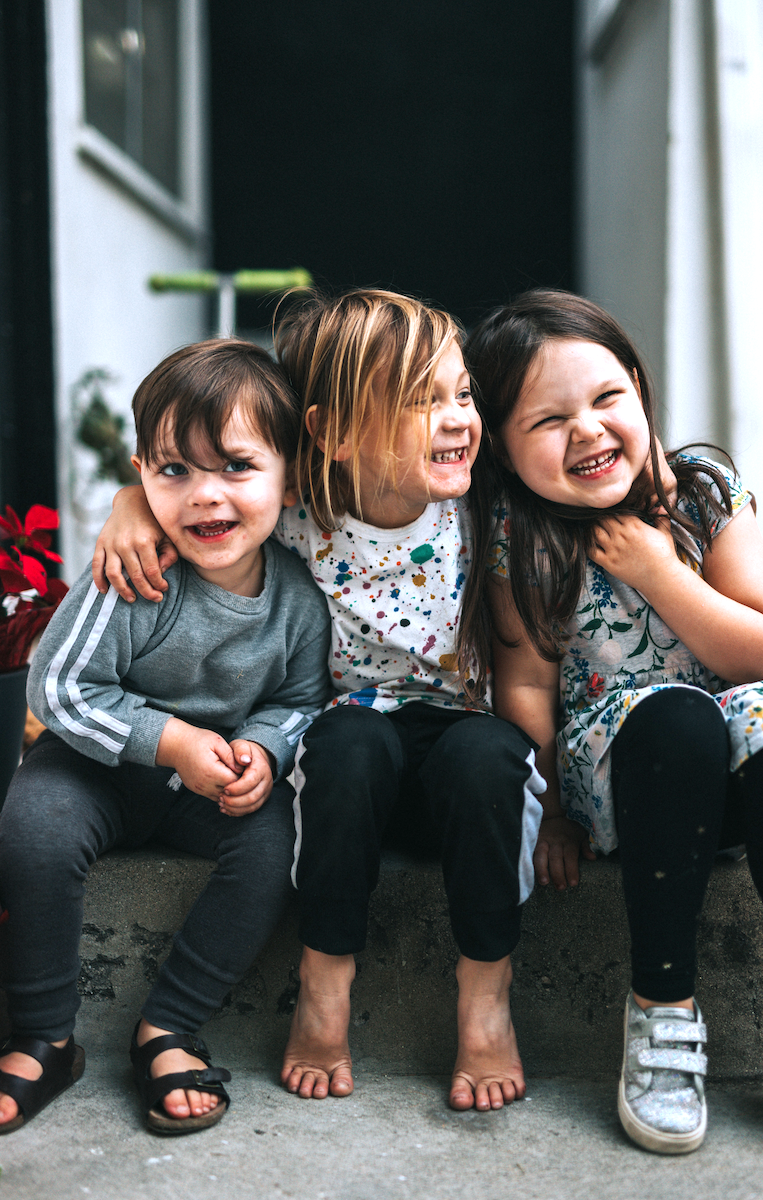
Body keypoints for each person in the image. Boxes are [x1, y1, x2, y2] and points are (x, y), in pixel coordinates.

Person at [89, 289, 547, 1113]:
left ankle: (485, 1000)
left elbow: (524, 675)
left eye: (461, 393)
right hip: (347, 772)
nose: (456, 418)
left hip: (464, 760)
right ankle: (324, 983)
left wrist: (567, 812)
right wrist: (129, 505)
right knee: (348, 739)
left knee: (489, 754)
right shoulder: (304, 513)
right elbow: (211, 490)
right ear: (334, 435)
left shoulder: (485, 509)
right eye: (420, 401)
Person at [462, 287, 763, 1154]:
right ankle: (661, 1005)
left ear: (641, 391)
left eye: (608, 398)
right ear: (501, 444)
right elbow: (527, 690)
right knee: (677, 718)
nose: (588, 430)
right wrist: (554, 813)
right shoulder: (522, 537)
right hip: (630, 784)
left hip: (743, 780)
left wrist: (659, 571)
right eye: (547, 420)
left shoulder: (702, 494)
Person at [0, 339, 332, 1135]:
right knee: (33, 828)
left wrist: (264, 747)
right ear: (141, 472)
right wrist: (170, 740)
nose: (204, 497)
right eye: (173, 470)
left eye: (236, 468)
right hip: (92, 767)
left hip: (211, 783)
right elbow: (58, 686)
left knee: (271, 848)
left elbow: (301, 698)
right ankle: (44, 1034)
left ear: (290, 475)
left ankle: (170, 1026)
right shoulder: (135, 572)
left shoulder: (299, 599)